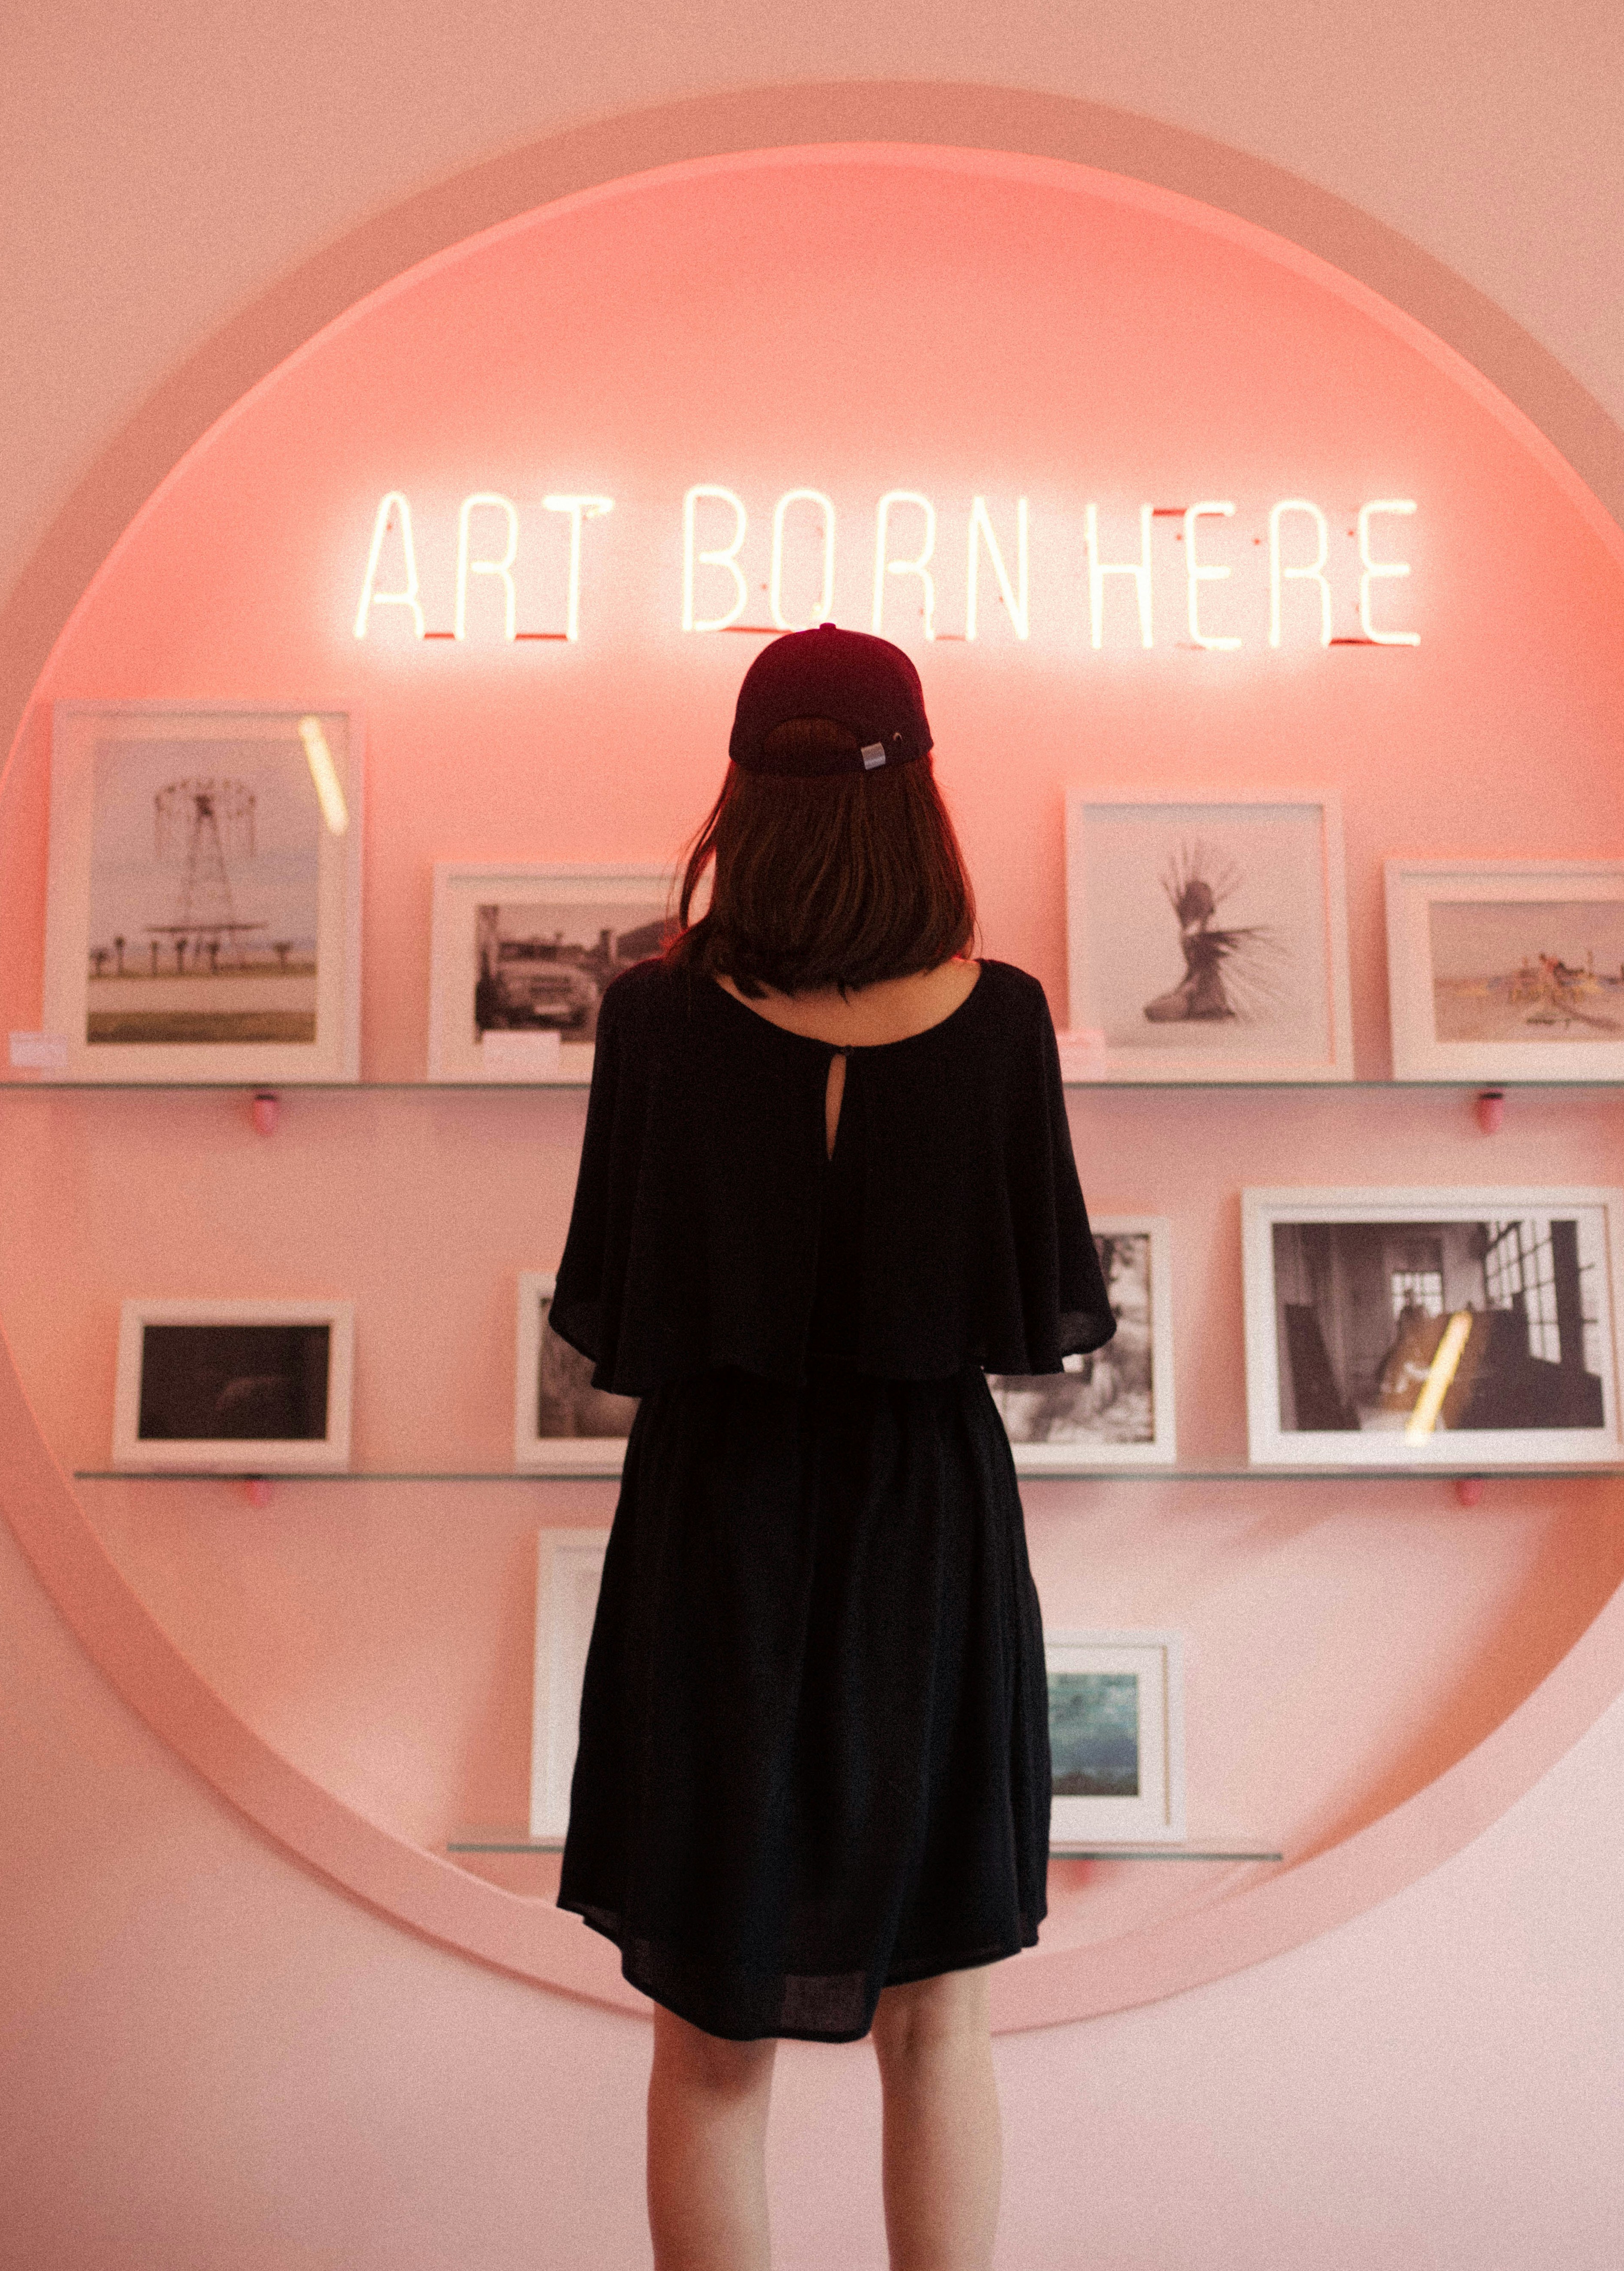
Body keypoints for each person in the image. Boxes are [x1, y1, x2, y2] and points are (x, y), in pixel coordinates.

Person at [546, 624, 1115, 2271]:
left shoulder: (655, 1019)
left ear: (741, 794)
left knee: (709, 2037)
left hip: (716, 1522)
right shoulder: (1002, 1022)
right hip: (925, 1524)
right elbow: (1043, 1316)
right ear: (919, 796)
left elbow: (612, 1319)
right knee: (942, 2027)